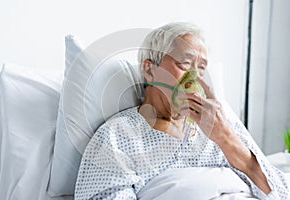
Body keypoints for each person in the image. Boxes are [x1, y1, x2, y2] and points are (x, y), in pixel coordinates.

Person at [74, 22, 289, 199]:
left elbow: (280, 193)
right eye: (185, 64)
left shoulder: (223, 126)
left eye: (202, 68)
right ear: (150, 70)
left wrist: (226, 139)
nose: (194, 77)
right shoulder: (117, 137)